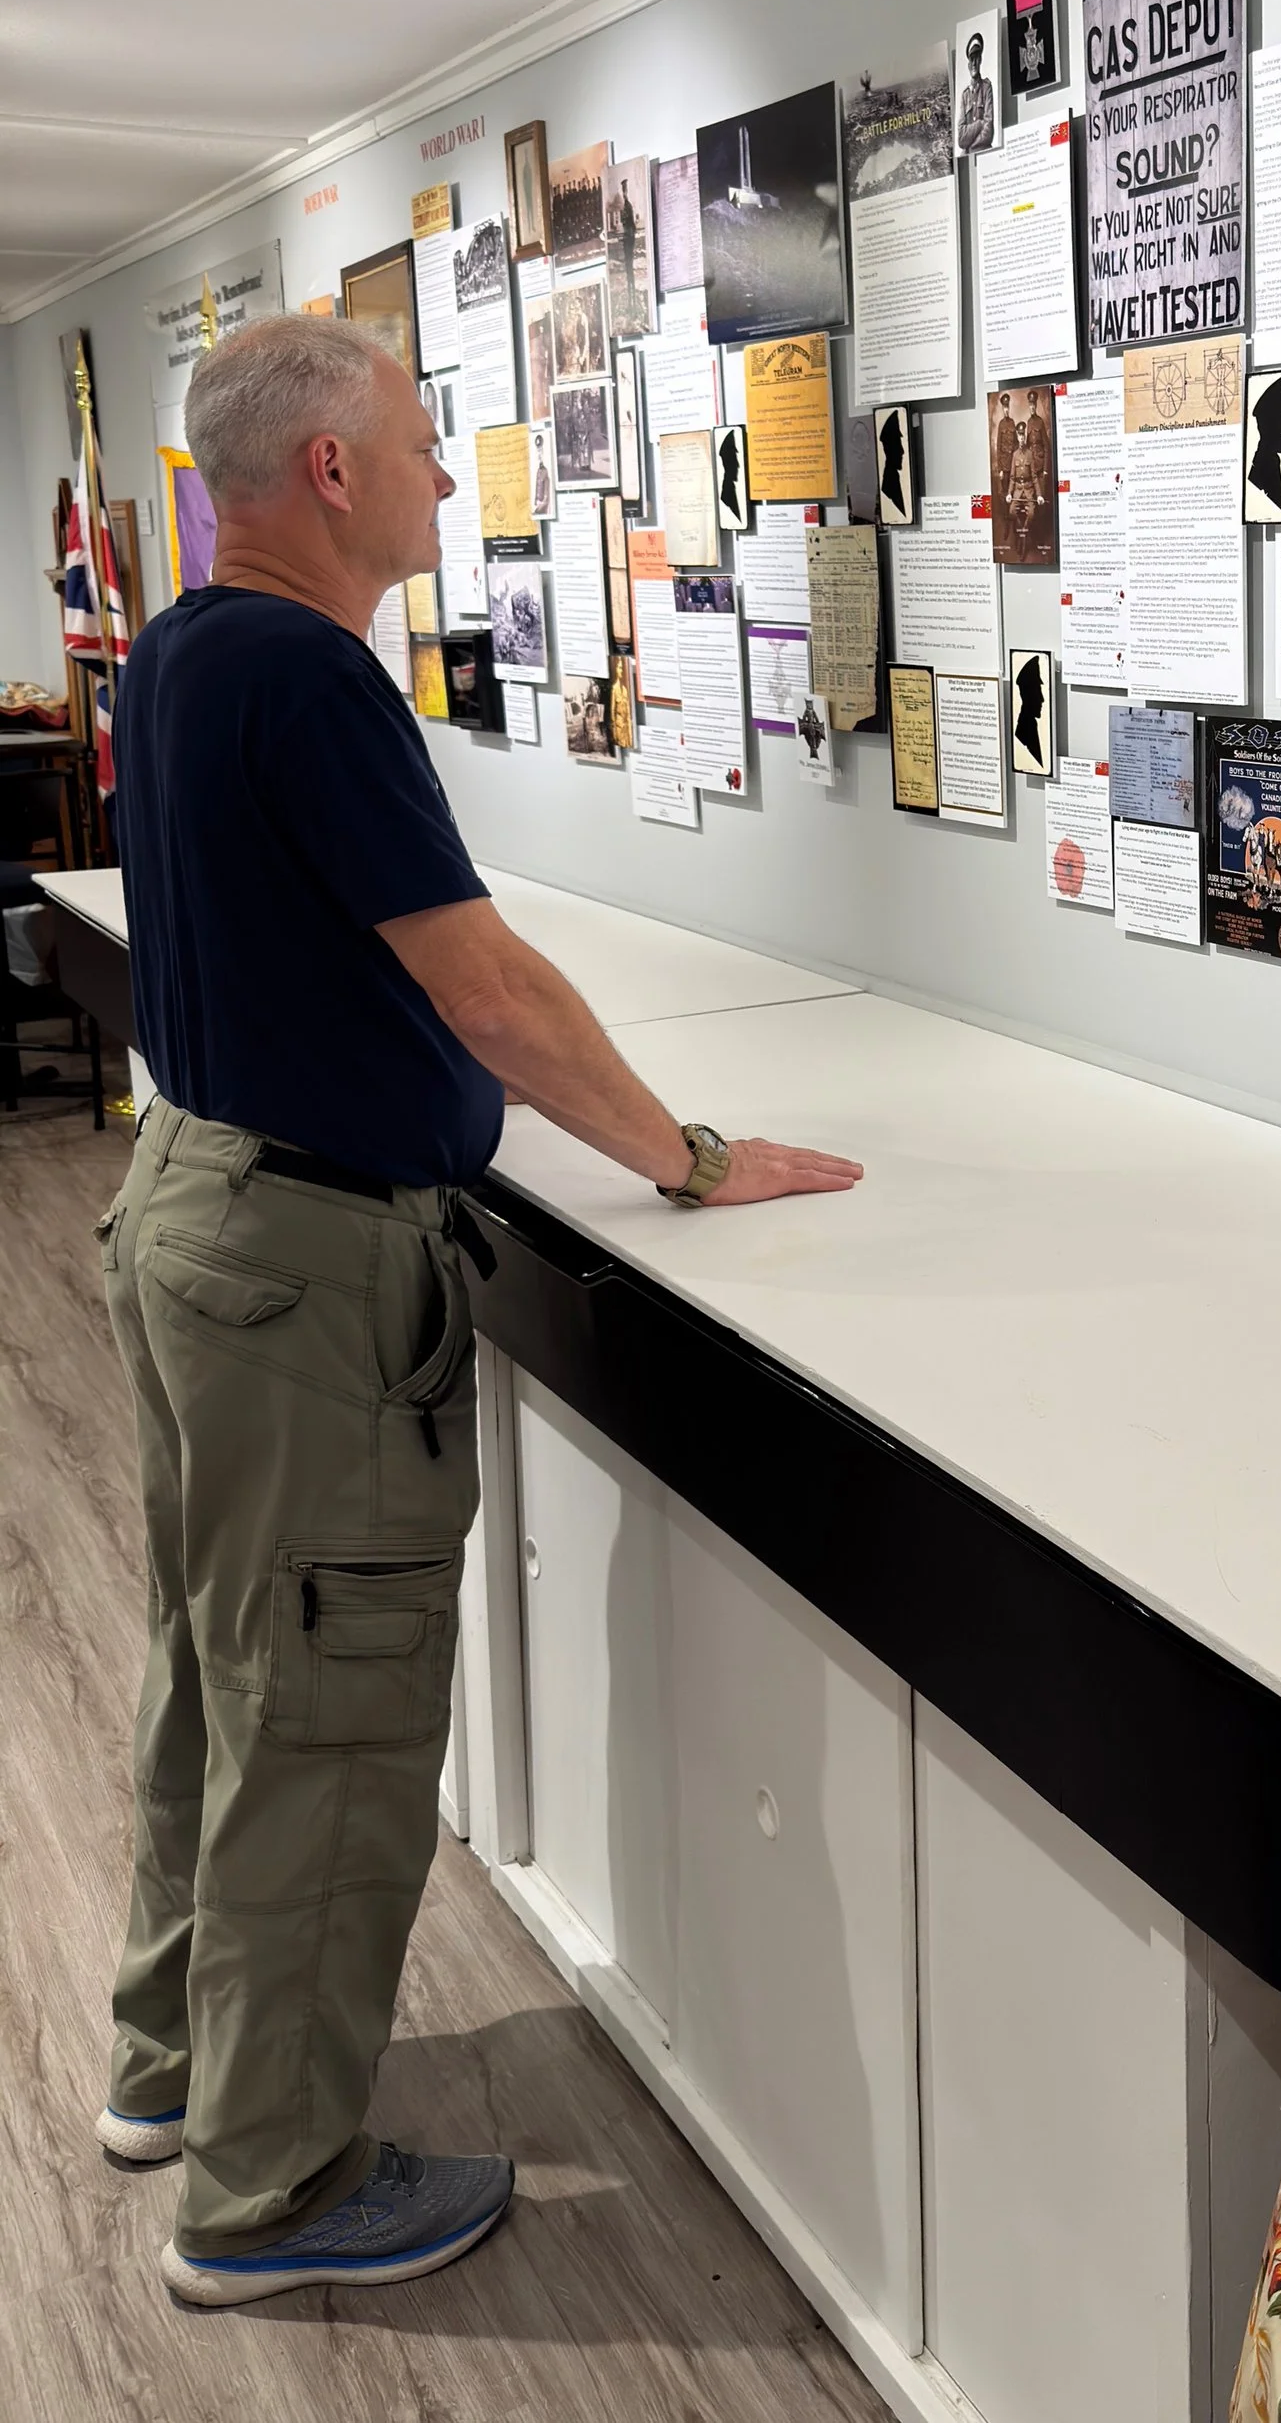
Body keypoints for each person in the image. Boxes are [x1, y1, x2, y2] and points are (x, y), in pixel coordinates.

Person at [99, 316, 863, 2311]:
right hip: (303, 1264)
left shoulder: (183, 650)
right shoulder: (309, 674)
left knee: (219, 1666)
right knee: (328, 1725)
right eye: (423, 444)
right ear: (330, 474)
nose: (451, 477)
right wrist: (688, 1156)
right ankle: (265, 2192)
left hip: (192, 1205)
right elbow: (489, 992)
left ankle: (178, 2074)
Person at [956, 28, 995, 154]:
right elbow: (961, 140)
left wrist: (971, 146)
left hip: (984, 152)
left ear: (981, 60)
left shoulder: (986, 87)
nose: (974, 63)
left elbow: (988, 131)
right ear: (968, 64)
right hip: (967, 155)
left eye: (977, 58)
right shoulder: (964, 95)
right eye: (971, 59)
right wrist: (979, 123)